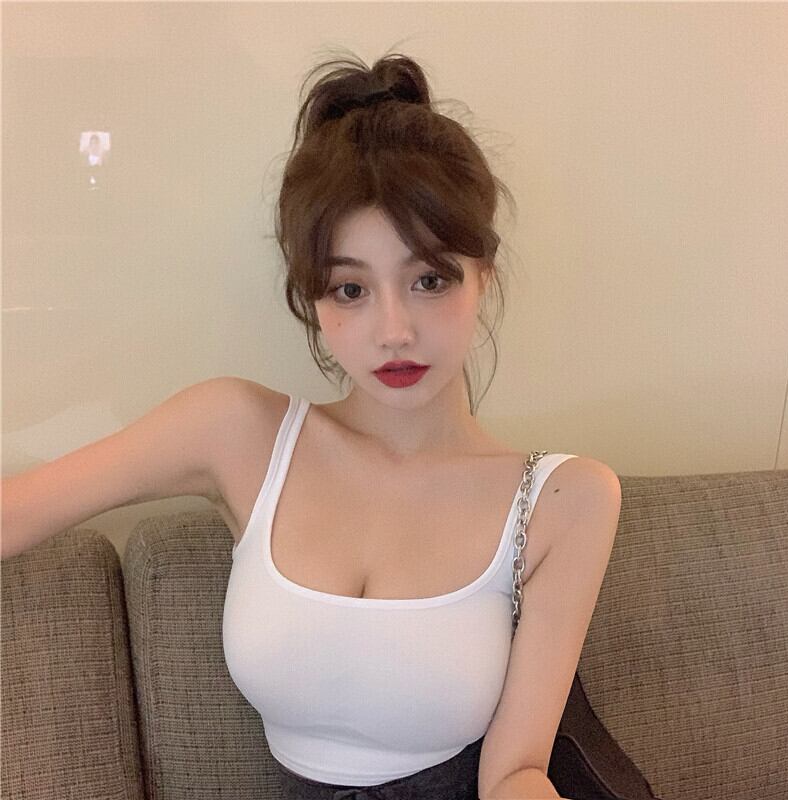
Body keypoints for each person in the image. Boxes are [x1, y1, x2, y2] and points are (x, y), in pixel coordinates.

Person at [2, 49, 622, 800]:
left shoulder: (564, 499)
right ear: (312, 299)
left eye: (429, 279)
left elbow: (515, 773)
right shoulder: (239, 433)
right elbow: (18, 510)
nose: (394, 331)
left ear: (482, 274)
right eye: (350, 289)